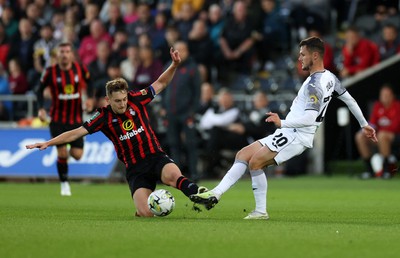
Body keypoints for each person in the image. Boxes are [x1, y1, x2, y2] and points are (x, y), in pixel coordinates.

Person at [190, 36, 378, 218]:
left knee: (256, 162)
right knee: (243, 155)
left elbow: (311, 117)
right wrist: (364, 124)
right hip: (289, 132)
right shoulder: (330, 78)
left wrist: (282, 122)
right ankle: (216, 193)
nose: (299, 58)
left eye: (303, 54)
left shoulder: (314, 84)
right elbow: (350, 100)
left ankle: (260, 211)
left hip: (296, 134)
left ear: (315, 56)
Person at [27, 48, 207, 217]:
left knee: (173, 176)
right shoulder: (103, 117)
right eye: (117, 101)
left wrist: (174, 65)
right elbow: (76, 133)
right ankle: (144, 206)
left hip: (155, 157)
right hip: (135, 169)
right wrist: (49, 142)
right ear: (108, 100)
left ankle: (201, 195)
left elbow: (161, 83)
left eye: (124, 99)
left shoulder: (137, 99)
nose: (122, 104)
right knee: (145, 213)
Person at [35, 42, 93, 196]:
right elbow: (38, 90)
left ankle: (69, 147)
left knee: (77, 155)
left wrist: (91, 99)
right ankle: (64, 184)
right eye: (62, 52)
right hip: (57, 119)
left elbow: (91, 82)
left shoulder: (80, 69)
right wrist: (41, 108)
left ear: (71, 54)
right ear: (57, 55)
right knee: (62, 154)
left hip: (75, 119)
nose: (65, 54)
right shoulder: (50, 72)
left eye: (67, 51)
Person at [355, 84, 400, 179]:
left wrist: (379, 132)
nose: (384, 98)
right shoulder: (377, 106)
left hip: (395, 136)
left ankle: (386, 170)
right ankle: (370, 170)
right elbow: (372, 123)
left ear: (392, 96)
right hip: (379, 135)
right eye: (382, 95)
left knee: (382, 136)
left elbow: (395, 126)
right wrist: (366, 130)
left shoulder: (397, 106)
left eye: (387, 95)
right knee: (360, 136)